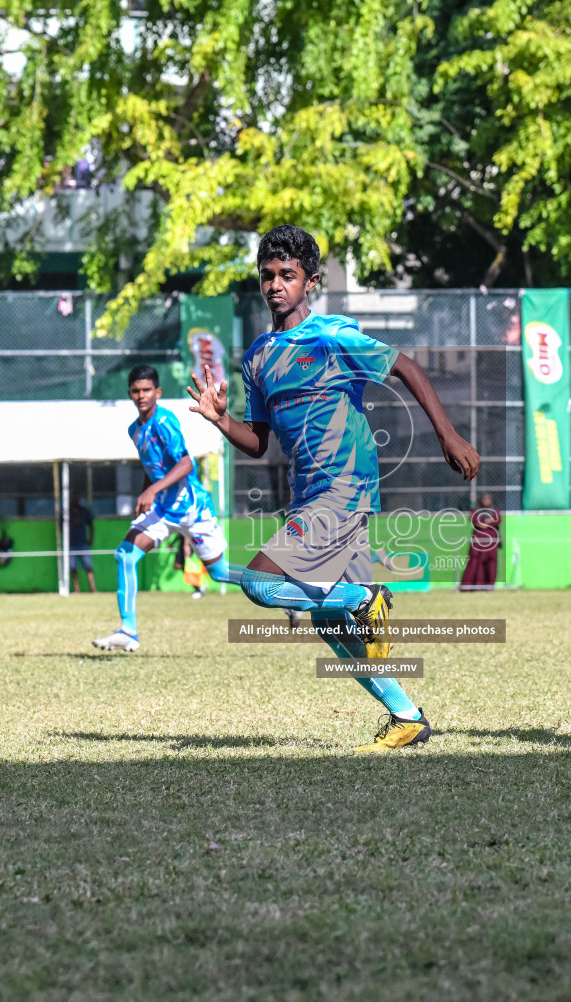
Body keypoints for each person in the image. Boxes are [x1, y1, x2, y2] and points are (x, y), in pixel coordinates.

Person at [187, 224, 479, 752]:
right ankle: (407, 716)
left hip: (344, 486)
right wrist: (220, 420)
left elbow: (406, 367)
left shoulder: (332, 336)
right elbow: (257, 443)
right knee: (331, 625)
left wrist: (448, 434)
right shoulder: (256, 358)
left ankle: (365, 597)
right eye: (268, 275)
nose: (276, 284)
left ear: (311, 282)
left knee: (257, 583)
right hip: (310, 493)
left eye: (288, 275)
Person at [91, 366, 238, 652]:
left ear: (157, 392)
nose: (141, 395)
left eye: (147, 390)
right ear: (130, 394)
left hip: (191, 505)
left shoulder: (164, 421)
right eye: (136, 391)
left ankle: (281, 589)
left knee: (219, 572)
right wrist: (145, 495)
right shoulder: (135, 430)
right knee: (125, 555)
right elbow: (153, 469)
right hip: (162, 507)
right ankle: (128, 632)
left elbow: (186, 464)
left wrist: (152, 490)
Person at [458, 494, 501, 591]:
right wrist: (486, 522)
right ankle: (472, 587)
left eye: (488, 499)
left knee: (491, 564)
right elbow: (474, 519)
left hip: (491, 541)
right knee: (475, 562)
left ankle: (489, 586)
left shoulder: (494, 510)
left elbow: (497, 520)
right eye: (484, 499)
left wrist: (484, 523)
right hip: (478, 541)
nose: (486, 501)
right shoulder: (476, 509)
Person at [68, 497, 96, 594]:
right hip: (71, 544)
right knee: (72, 568)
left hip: (83, 544)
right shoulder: (66, 513)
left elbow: (91, 525)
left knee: (88, 567)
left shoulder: (84, 512)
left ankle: (93, 588)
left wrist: (91, 539)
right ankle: (77, 589)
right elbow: (60, 528)